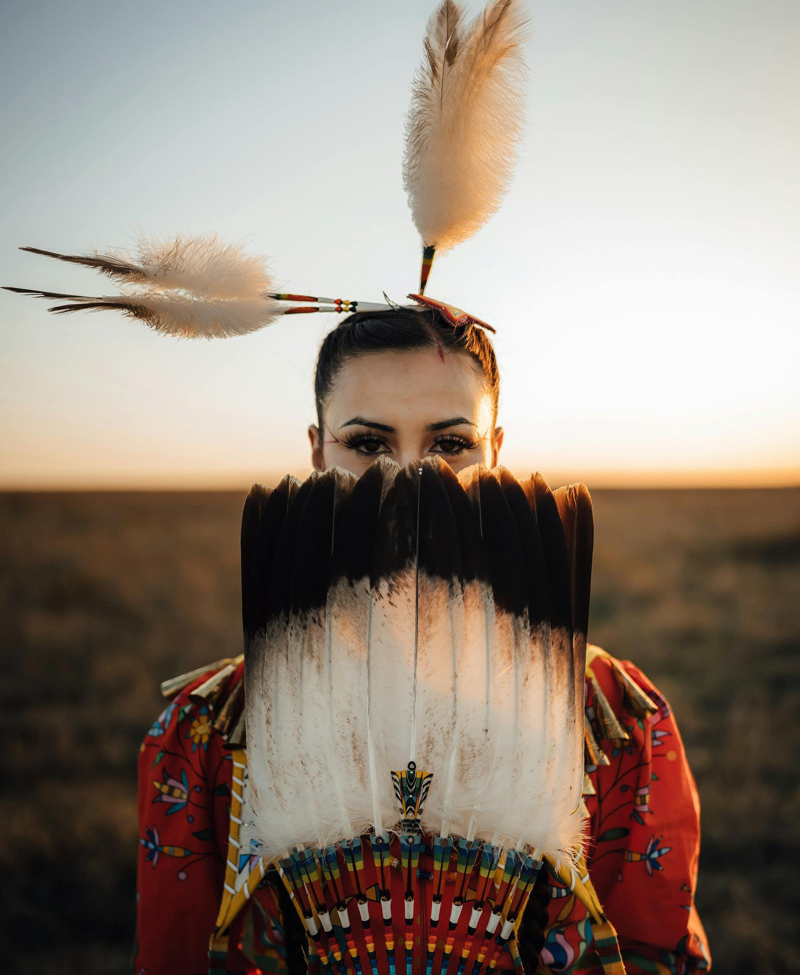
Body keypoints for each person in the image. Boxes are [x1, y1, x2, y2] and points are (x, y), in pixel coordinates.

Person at [134, 308, 711, 975]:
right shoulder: (203, 732)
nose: (408, 479)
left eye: (449, 444)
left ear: (494, 449)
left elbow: (655, 955)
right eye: (368, 444)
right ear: (318, 450)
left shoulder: (616, 722)